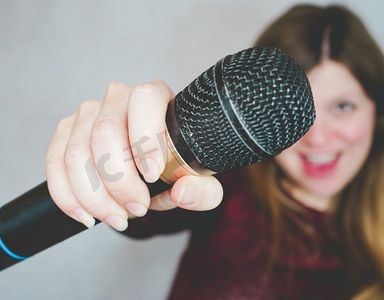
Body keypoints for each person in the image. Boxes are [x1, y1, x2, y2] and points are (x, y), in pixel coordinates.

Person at [44, 4, 384, 299]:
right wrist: (119, 153)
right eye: (295, 114)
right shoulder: (224, 181)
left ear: (376, 110)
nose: (318, 138)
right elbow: (138, 216)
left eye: (343, 106)